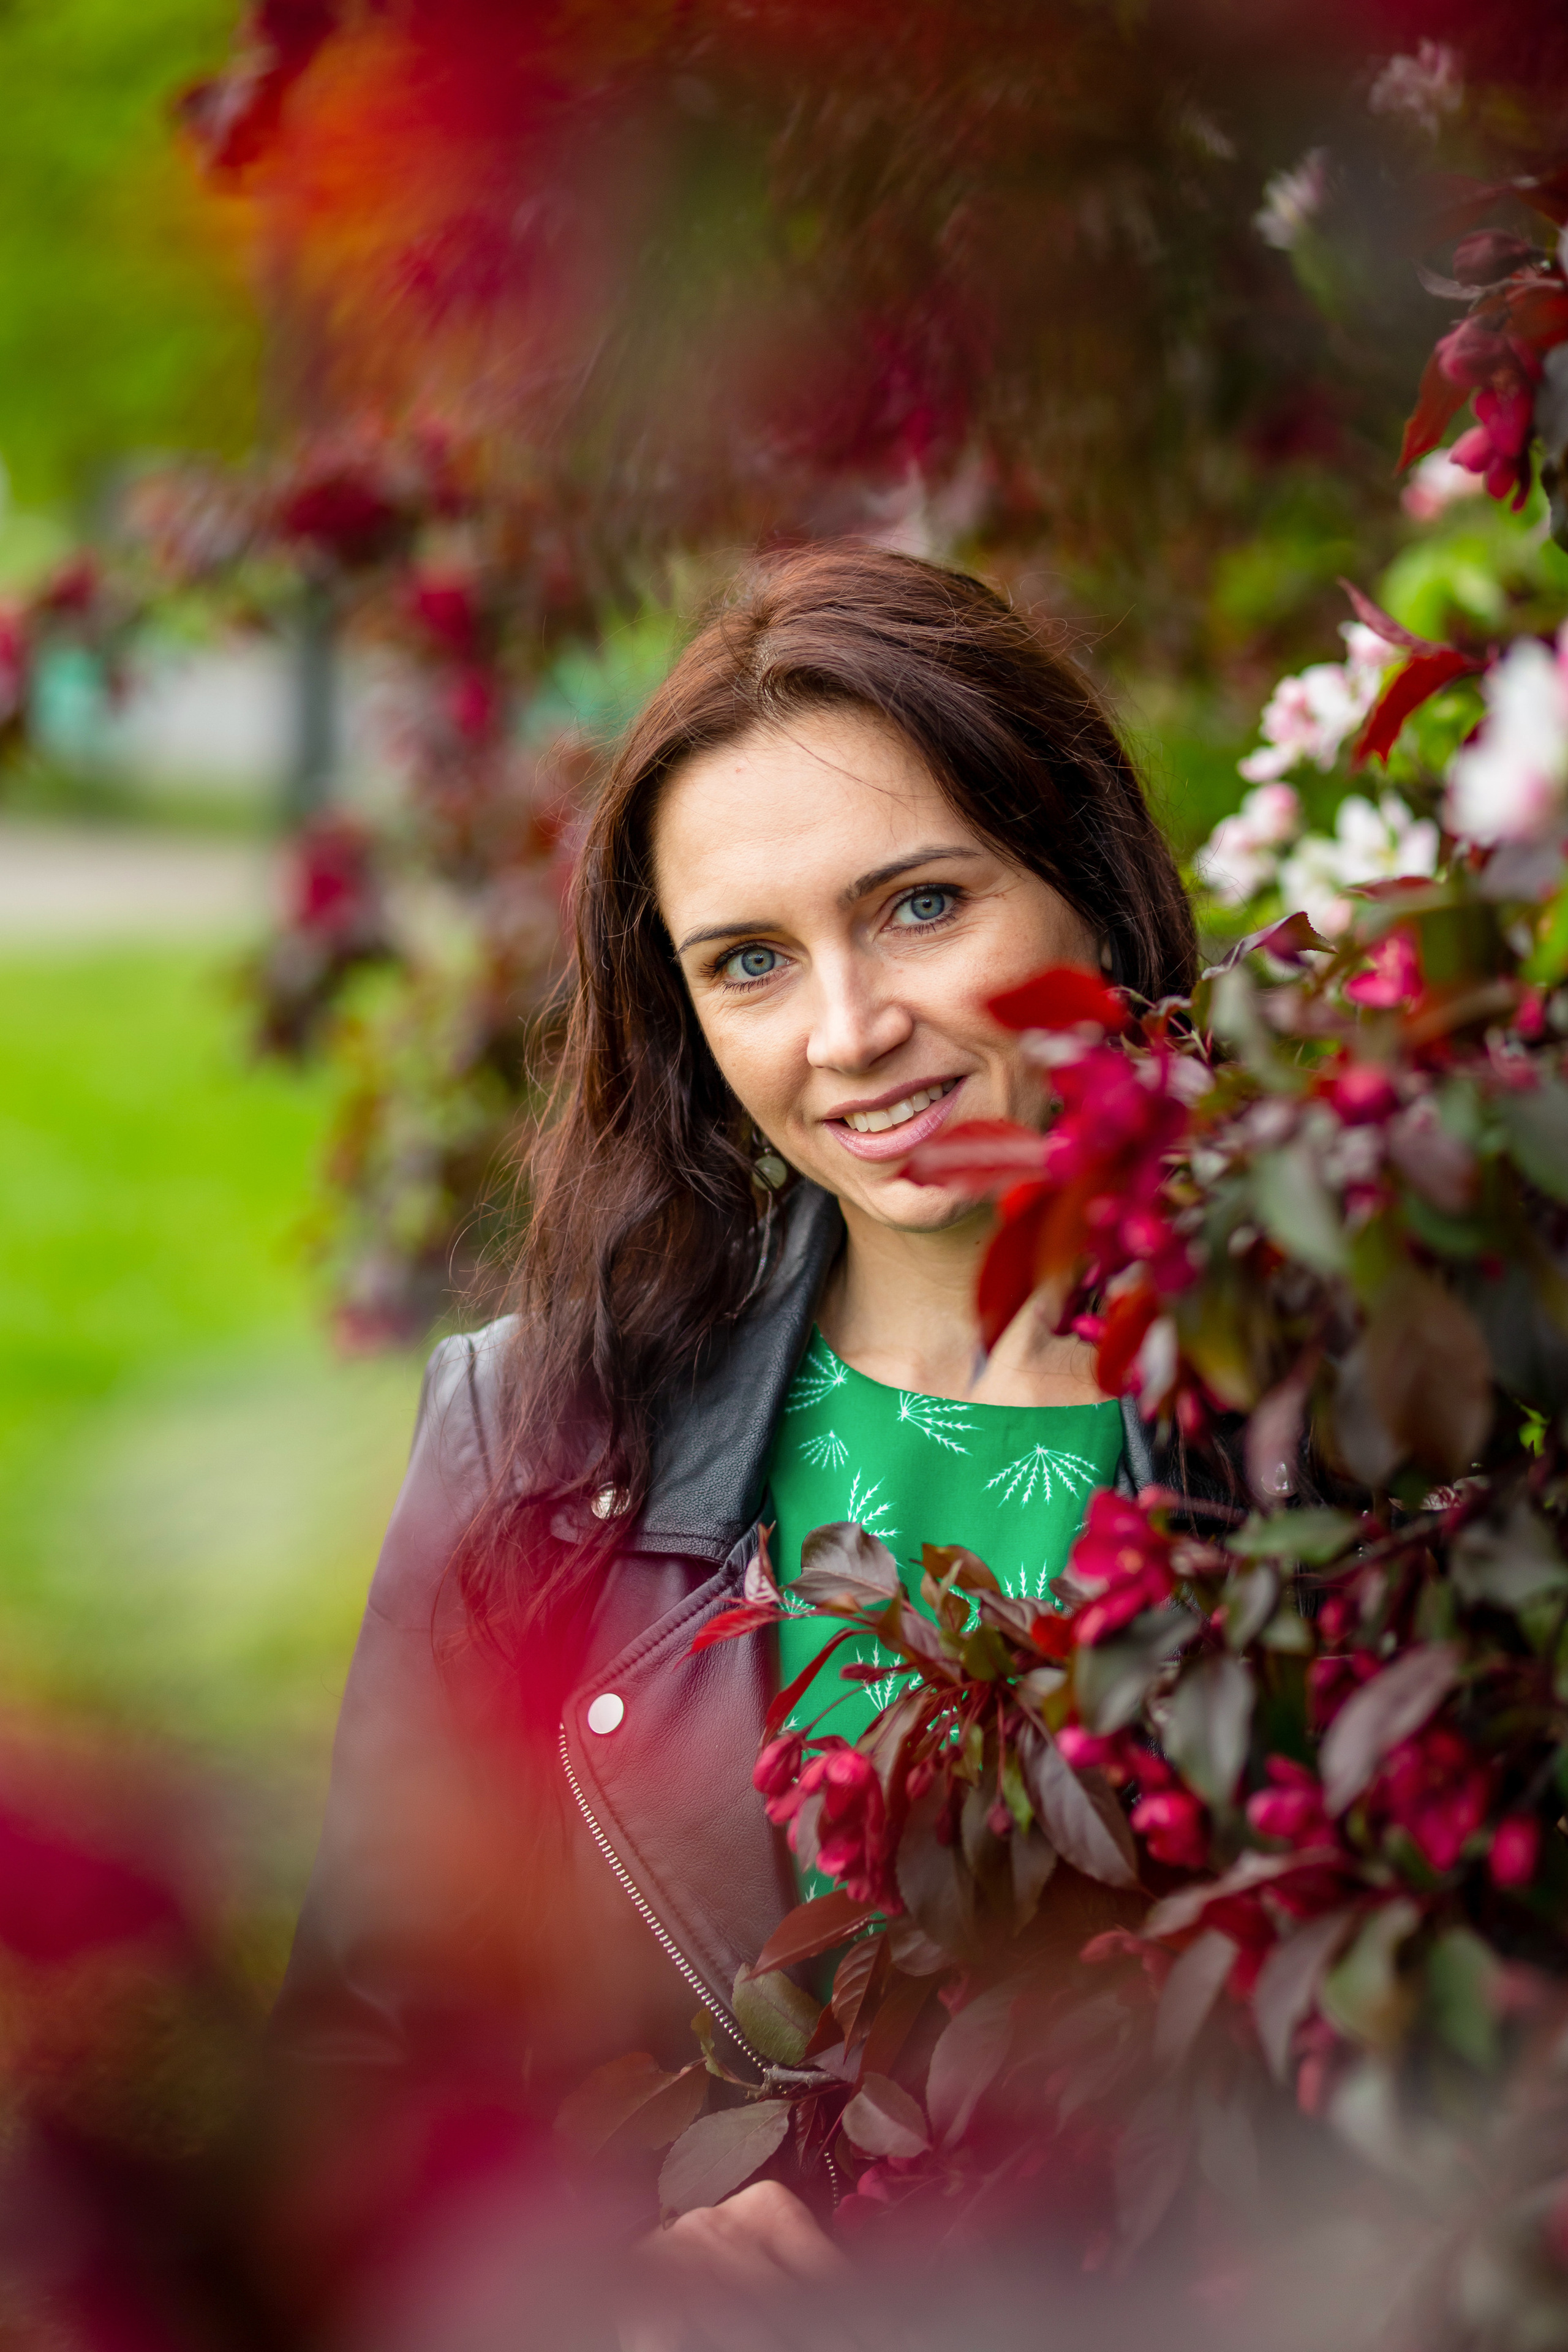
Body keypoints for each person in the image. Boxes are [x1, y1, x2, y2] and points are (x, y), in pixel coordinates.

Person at [274, 543, 1199, 2290]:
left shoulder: (1329, 1413)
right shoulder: (541, 1440)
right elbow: (366, 2079)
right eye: (752, 963)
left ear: (1088, 887)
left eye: (923, 904)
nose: (849, 1033)